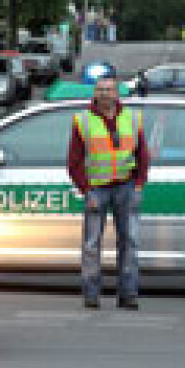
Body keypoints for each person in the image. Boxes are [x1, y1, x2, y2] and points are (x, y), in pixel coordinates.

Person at [67, 70, 149, 310]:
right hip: (97, 189)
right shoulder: (82, 120)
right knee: (92, 243)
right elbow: (74, 161)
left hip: (126, 186)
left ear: (117, 93)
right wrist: (86, 190)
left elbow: (142, 154)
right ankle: (91, 294)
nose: (105, 94)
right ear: (95, 93)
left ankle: (129, 294)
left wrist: (139, 184)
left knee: (130, 241)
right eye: (100, 90)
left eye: (109, 89)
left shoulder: (133, 118)